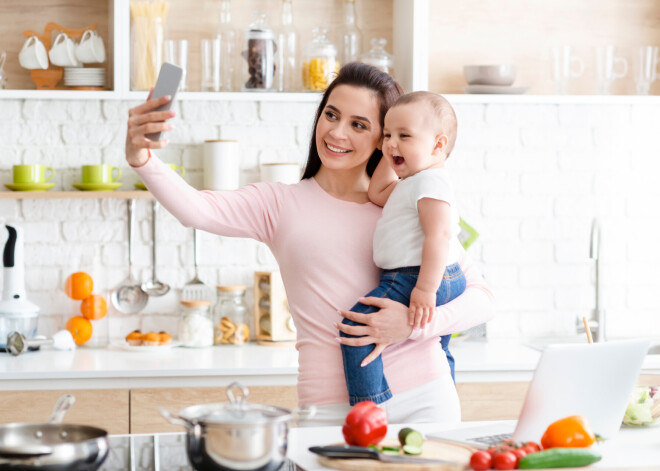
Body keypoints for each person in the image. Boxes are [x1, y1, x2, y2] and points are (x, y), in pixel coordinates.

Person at [125, 62, 494, 425]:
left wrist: (413, 326)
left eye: (359, 125)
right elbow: (197, 211)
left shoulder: (406, 202)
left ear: (385, 139)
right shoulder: (280, 203)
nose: (337, 132)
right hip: (330, 411)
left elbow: (481, 299)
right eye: (331, 115)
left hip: (424, 399)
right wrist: (142, 159)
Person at [340, 91, 465, 406]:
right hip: (434, 276)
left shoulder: (431, 183)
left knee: (358, 326)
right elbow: (378, 192)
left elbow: (439, 235)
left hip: (414, 277)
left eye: (404, 135)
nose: (390, 142)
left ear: (438, 145)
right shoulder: (413, 182)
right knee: (440, 346)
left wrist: (424, 289)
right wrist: (393, 151)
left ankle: (369, 406)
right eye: (387, 134)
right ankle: (446, 386)